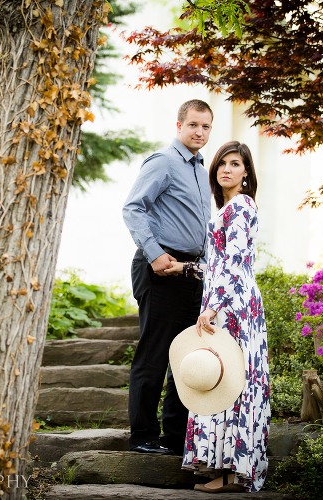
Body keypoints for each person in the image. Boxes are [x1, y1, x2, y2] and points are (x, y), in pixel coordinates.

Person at [164, 141, 270, 492]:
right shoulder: (225, 209)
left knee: (231, 379)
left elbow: (236, 262)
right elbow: (217, 265)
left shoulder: (241, 205)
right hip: (225, 300)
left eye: (235, 163)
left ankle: (233, 472)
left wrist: (215, 305)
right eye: (222, 163)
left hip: (233, 305)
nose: (226, 168)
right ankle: (222, 465)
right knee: (220, 377)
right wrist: (184, 268)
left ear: (246, 172)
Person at [122, 99, 213, 455]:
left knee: (186, 356)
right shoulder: (164, 161)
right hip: (161, 268)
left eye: (205, 126)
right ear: (179, 125)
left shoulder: (200, 169)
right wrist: (155, 252)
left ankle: (175, 436)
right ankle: (142, 436)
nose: (199, 132)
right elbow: (133, 207)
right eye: (193, 125)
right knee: (155, 354)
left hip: (191, 272)